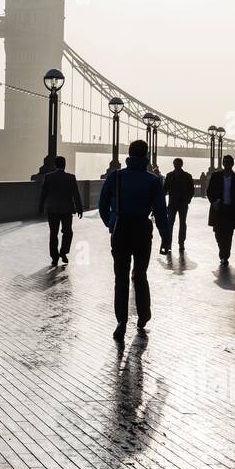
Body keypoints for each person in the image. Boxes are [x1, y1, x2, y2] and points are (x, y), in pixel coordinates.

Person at [98, 139, 170, 345]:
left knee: (120, 277)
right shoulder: (153, 181)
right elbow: (160, 212)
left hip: (121, 229)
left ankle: (121, 321)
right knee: (140, 275)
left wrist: (110, 223)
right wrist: (165, 236)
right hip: (142, 229)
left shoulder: (116, 177)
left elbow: (102, 204)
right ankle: (143, 315)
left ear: (129, 154)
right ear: (146, 154)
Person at [38, 155, 84, 266]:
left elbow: (44, 194)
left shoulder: (49, 177)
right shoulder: (71, 177)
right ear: (65, 165)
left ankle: (54, 257)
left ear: (55, 165)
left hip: (52, 209)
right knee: (67, 232)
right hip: (67, 210)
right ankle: (63, 252)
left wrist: (41, 206)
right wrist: (79, 208)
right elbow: (76, 195)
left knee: (53, 234)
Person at [207, 154, 235, 265]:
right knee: (218, 233)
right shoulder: (215, 176)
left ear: (232, 164)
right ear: (223, 163)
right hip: (219, 209)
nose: (227, 164)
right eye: (225, 162)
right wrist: (213, 202)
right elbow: (209, 192)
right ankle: (222, 251)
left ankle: (225, 255)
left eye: (229, 162)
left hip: (231, 210)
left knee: (229, 234)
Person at [162, 157, 195, 255]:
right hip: (173, 203)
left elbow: (191, 190)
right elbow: (164, 190)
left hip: (181, 203)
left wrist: (188, 200)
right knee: (171, 224)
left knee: (181, 223)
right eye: (175, 164)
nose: (176, 165)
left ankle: (180, 243)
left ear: (181, 165)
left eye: (177, 164)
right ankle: (170, 243)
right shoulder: (171, 175)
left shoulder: (185, 176)